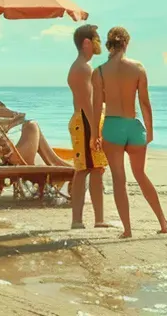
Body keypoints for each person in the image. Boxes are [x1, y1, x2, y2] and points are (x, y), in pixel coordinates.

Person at [90, 26, 167, 238]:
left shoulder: (98, 72)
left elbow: (96, 106)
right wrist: (150, 130)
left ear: (110, 44)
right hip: (134, 127)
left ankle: (127, 230)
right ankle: (163, 222)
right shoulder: (138, 68)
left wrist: (94, 135)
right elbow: (144, 102)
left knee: (119, 179)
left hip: (113, 126)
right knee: (140, 175)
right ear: (126, 43)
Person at [67, 24, 110, 229]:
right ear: (87, 42)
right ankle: (83, 220)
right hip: (85, 121)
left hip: (85, 120)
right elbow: (86, 103)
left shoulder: (82, 66)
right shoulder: (83, 68)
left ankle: (93, 219)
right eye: (96, 39)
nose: (98, 44)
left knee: (93, 169)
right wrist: (95, 132)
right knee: (87, 169)